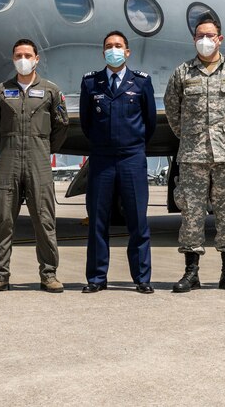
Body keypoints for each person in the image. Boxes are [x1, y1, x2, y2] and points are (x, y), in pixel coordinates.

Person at [163, 14, 225, 293]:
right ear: (194, 40)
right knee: (191, 214)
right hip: (192, 156)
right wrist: (191, 137)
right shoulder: (182, 73)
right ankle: (191, 273)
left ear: (219, 39)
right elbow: (172, 110)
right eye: (200, 36)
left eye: (209, 36)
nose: (205, 41)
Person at [0, 39, 69, 294]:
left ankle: (49, 274)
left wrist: (43, 149)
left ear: (36, 58)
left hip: (38, 161)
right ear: (13, 58)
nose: (23, 59)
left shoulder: (51, 91)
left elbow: (61, 126)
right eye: (18, 55)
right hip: (8, 160)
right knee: (3, 220)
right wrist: (8, 146)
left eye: (27, 55)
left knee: (44, 220)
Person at [78, 30, 156, 294]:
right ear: (103, 53)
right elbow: (87, 123)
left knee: (137, 220)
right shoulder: (91, 83)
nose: (114, 49)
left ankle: (142, 278)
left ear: (127, 51)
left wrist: (130, 144)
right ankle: (97, 278)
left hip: (132, 159)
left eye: (119, 46)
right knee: (98, 220)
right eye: (109, 46)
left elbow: (151, 122)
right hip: (101, 159)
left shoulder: (142, 82)